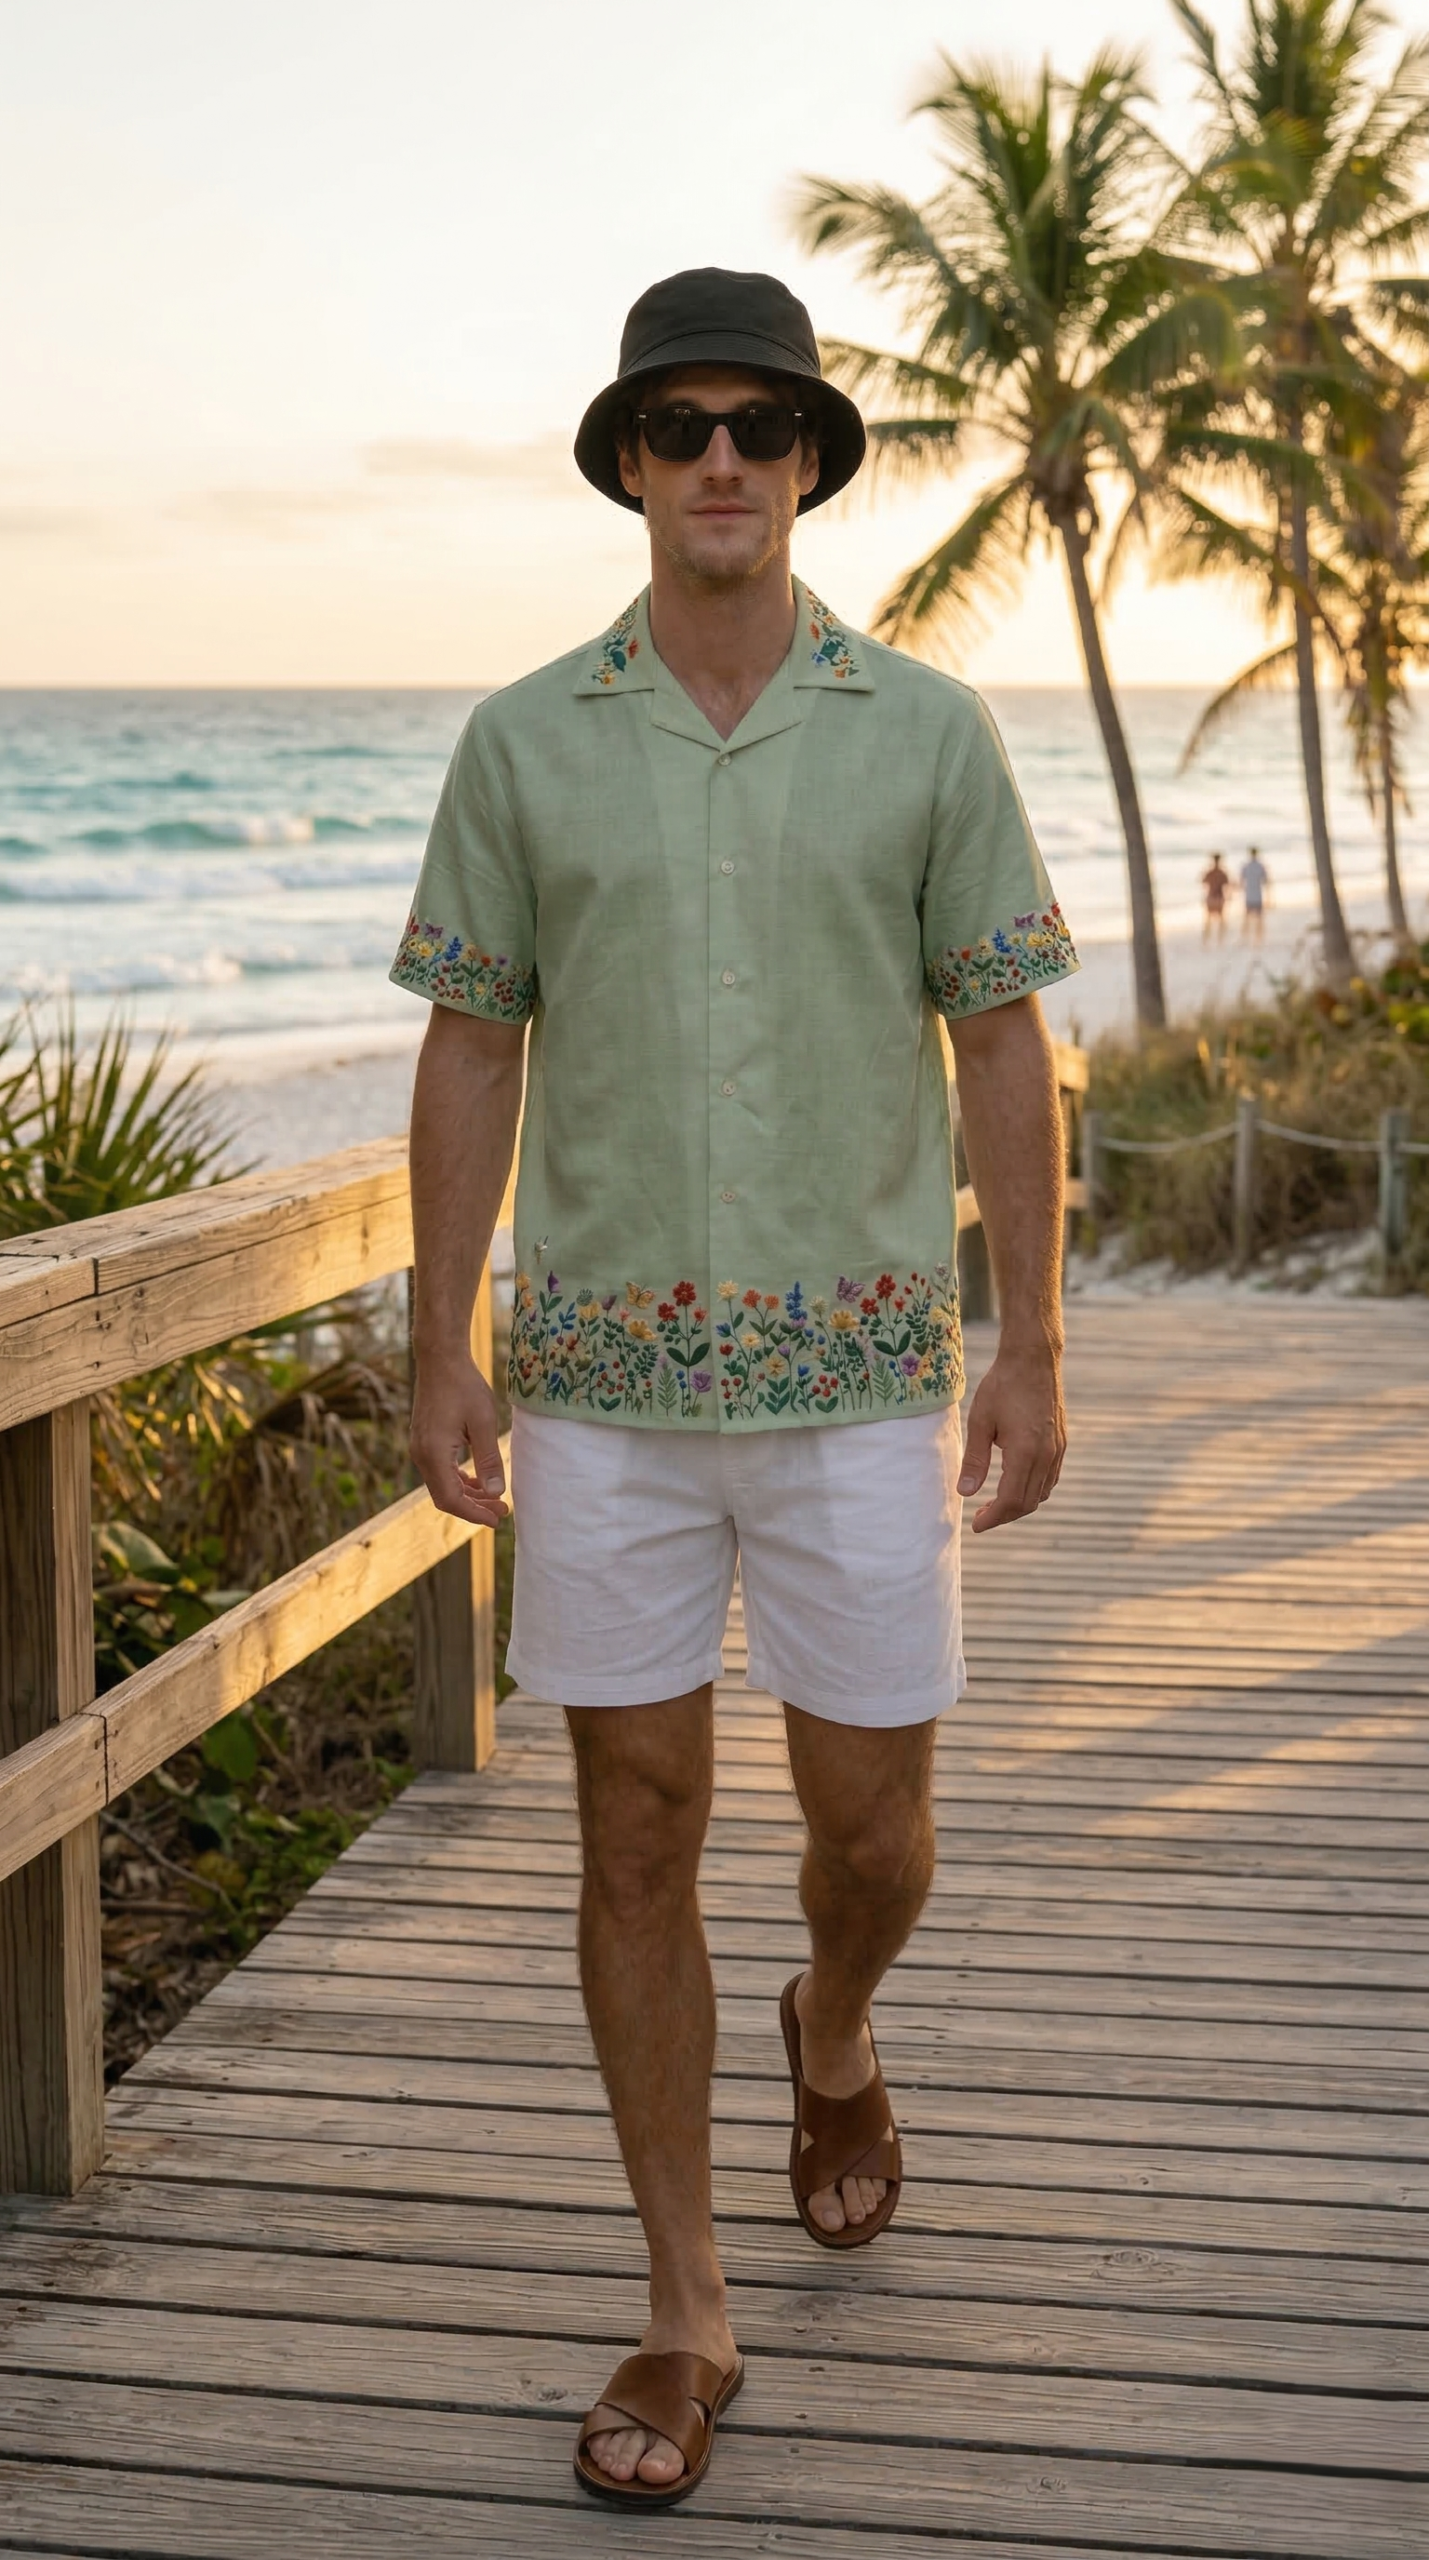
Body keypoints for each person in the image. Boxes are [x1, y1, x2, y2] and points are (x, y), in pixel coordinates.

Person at [394, 267, 1079, 2511]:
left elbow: (996, 1035)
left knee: (874, 1831)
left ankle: (839, 2023)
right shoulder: (522, 740)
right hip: (596, 1383)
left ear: (804, 464)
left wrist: (1036, 1341)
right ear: (625, 461)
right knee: (637, 1828)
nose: (719, 458)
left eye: (759, 425)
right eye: (679, 423)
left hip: (866, 1373)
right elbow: (473, 1037)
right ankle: (686, 2303)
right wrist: (441, 1332)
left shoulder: (927, 730)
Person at [1240, 845, 1269, 941]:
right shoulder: (1260, 866)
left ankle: (1245, 937)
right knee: (1259, 918)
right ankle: (1258, 938)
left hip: (1249, 895)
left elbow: (1241, 882)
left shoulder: (1246, 866)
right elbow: (1266, 881)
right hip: (1257, 895)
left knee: (1247, 918)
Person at [1202, 851, 1232, 941]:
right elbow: (1227, 885)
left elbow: (1203, 882)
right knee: (1221, 919)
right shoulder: (1222, 873)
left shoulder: (1210, 872)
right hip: (1219, 897)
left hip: (1211, 897)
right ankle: (1220, 938)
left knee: (1208, 920)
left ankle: (1207, 938)